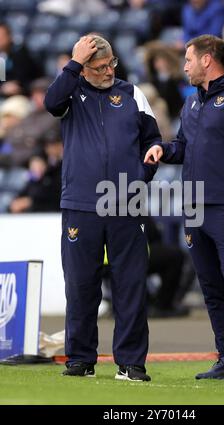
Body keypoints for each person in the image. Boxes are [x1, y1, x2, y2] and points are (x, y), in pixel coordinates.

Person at [145, 35, 224, 380]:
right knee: (210, 286)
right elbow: (183, 146)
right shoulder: (192, 104)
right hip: (194, 207)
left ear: (207, 59)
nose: (184, 66)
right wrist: (163, 151)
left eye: (188, 59)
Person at [45, 34, 160, 381]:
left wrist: (142, 176)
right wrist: (74, 63)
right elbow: (51, 102)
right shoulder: (70, 93)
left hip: (128, 204)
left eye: (111, 64)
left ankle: (131, 362)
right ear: (84, 68)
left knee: (131, 285)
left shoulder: (132, 93)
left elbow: (153, 140)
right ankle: (80, 359)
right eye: (99, 67)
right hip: (81, 204)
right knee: (81, 285)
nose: (108, 71)